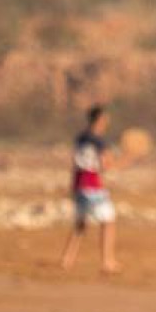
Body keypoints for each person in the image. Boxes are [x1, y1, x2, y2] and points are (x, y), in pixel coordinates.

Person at [60, 104, 129, 275]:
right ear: (100, 120)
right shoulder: (99, 141)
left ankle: (67, 259)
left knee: (80, 224)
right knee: (108, 222)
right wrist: (127, 159)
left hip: (79, 184)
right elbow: (107, 166)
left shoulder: (81, 138)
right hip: (92, 185)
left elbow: (76, 164)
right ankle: (107, 261)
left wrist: (72, 187)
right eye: (105, 119)